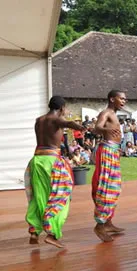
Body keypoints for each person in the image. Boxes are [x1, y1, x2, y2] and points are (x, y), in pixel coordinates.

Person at [25, 96, 86, 248]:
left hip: (37, 160)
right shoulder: (56, 119)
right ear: (62, 108)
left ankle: (34, 230)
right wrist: (80, 127)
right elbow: (67, 123)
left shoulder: (39, 120)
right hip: (52, 161)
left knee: (39, 196)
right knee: (61, 195)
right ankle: (52, 233)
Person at [92, 89, 127, 242]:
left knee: (114, 187)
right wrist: (107, 129)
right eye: (122, 99)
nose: (124, 101)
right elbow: (96, 128)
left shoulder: (113, 114)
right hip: (107, 151)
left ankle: (108, 222)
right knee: (106, 187)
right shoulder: (106, 113)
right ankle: (99, 225)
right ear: (112, 99)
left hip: (112, 151)